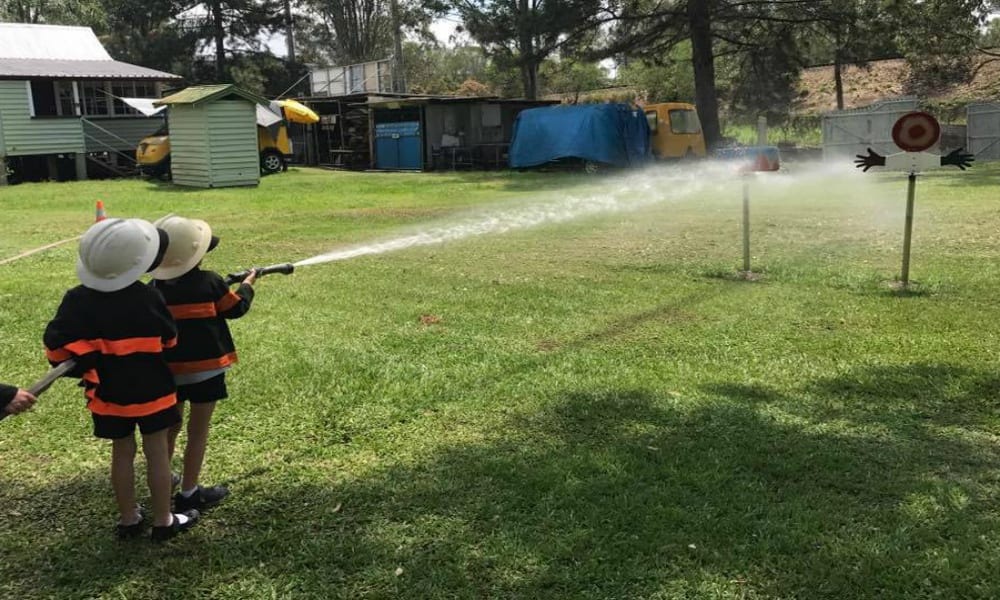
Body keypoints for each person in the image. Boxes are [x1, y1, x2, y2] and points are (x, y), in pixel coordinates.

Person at [43, 218, 199, 542]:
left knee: (122, 452)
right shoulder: (149, 298)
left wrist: (86, 352)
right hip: (154, 391)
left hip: (108, 395)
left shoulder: (76, 299)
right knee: (157, 452)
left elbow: (56, 349)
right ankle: (163, 520)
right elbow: (170, 341)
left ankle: (129, 519)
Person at [149, 215, 256, 513]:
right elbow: (236, 308)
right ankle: (189, 492)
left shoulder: (153, 288)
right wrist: (247, 285)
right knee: (198, 431)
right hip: (206, 372)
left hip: (167, 373)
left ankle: (164, 478)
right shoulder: (211, 282)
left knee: (170, 427)